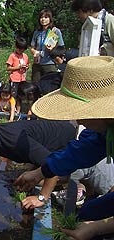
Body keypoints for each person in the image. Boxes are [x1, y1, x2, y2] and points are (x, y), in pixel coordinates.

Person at [13, 56, 114, 237]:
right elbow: (82, 150)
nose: (77, 119)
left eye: (80, 112)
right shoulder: (105, 129)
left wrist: (96, 228)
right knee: (87, 212)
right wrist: (40, 173)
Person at [30, 9, 65, 84]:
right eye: (41, 17)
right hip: (37, 64)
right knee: (36, 85)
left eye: (46, 17)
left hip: (50, 63)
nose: (43, 19)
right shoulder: (37, 32)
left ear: (50, 19)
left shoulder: (55, 31)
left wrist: (53, 50)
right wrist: (34, 52)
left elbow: (61, 48)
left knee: (49, 87)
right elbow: (32, 47)